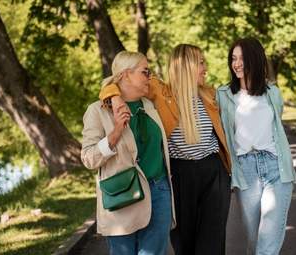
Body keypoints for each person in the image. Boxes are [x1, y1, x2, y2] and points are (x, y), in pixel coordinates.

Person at [100, 44, 233, 255]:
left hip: (213, 172)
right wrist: (115, 98)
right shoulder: (161, 92)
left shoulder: (209, 95)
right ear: (185, 66)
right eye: (200, 63)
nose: (205, 68)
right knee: (184, 243)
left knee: (213, 242)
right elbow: (114, 82)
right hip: (180, 175)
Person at [81, 51, 174, 255]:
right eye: (144, 72)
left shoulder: (150, 105)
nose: (149, 77)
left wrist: (112, 93)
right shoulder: (98, 111)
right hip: (122, 195)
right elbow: (88, 158)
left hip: (159, 192)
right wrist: (114, 134)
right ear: (125, 75)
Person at [216, 38, 296, 255]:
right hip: (245, 171)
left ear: (255, 59)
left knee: (267, 244)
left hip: (276, 168)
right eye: (233, 58)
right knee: (254, 241)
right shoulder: (223, 95)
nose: (237, 63)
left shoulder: (273, 93)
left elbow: (276, 128)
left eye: (242, 58)